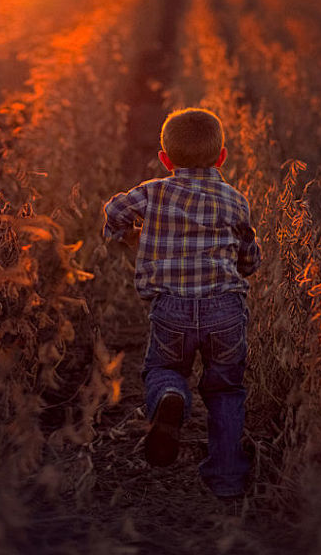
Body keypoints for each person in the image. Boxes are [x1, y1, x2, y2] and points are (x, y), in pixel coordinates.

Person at [102, 107, 262, 499]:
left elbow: (113, 211)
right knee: (225, 390)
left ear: (165, 159)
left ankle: (171, 397)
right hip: (224, 309)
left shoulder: (153, 191)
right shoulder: (235, 200)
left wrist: (123, 237)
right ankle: (226, 478)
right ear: (222, 156)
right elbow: (249, 258)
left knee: (164, 368)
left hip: (171, 307)